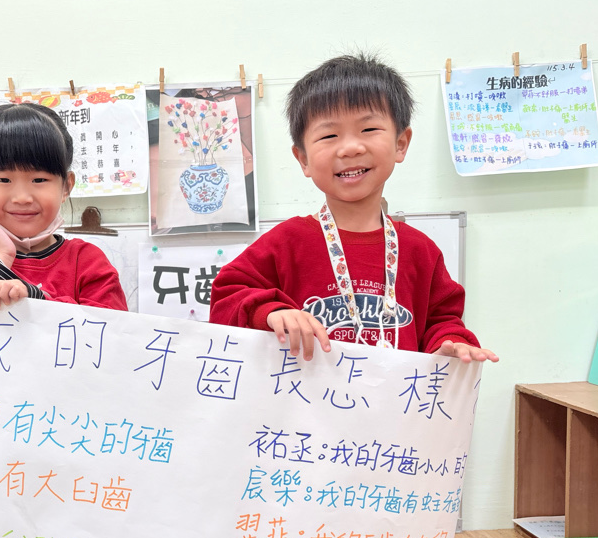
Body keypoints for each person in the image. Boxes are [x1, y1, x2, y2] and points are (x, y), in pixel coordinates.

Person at [209, 54, 497, 364]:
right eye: (329, 135)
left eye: (368, 129)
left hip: (396, 396)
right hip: (305, 395)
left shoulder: (420, 250)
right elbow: (227, 295)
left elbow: (442, 320)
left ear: (401, 143)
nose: (349, 148)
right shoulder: (287, 242)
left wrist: (451, 344)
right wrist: (271, 312)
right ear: (303, 159)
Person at [0, 103, 127, 312]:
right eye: (3, 179)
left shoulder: (88, 263)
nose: (22, 198)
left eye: (39, 180)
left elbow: (111, 326)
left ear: (66, 186)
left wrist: (35, 299)